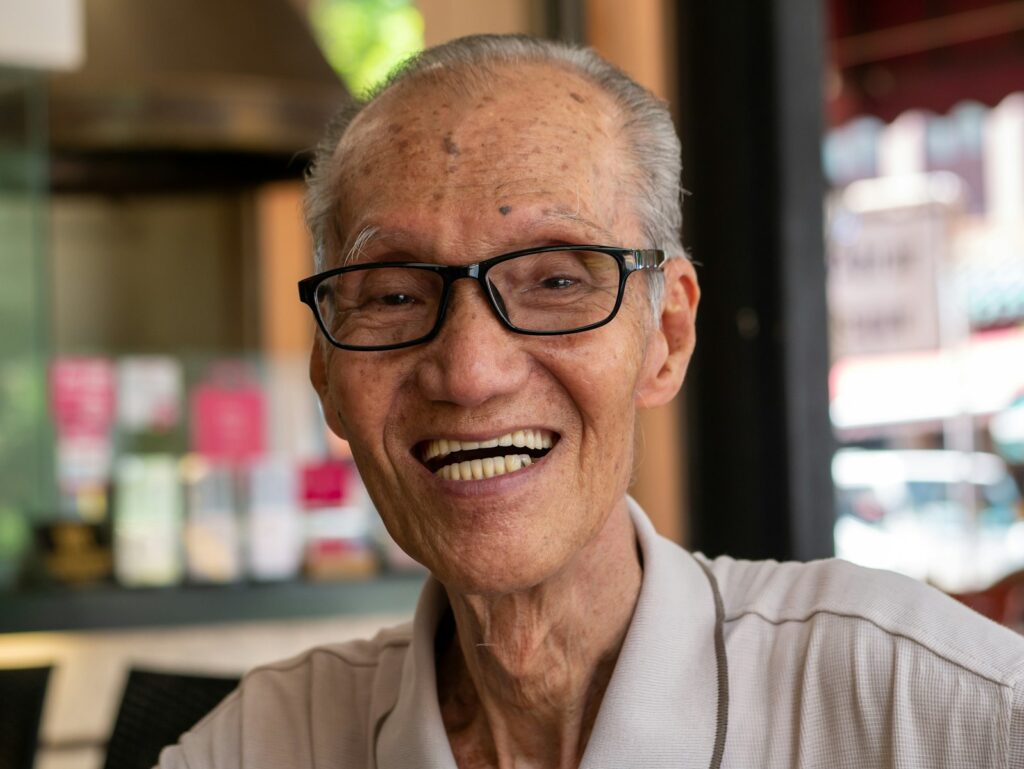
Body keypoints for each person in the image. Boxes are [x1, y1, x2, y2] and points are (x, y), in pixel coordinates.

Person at [159, 34, 1024, 769]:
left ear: (668, 337)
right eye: (392, 295)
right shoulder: (263, 743)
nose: (468, 370)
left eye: (558, 280)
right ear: (326, 375)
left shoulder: (917, 707)